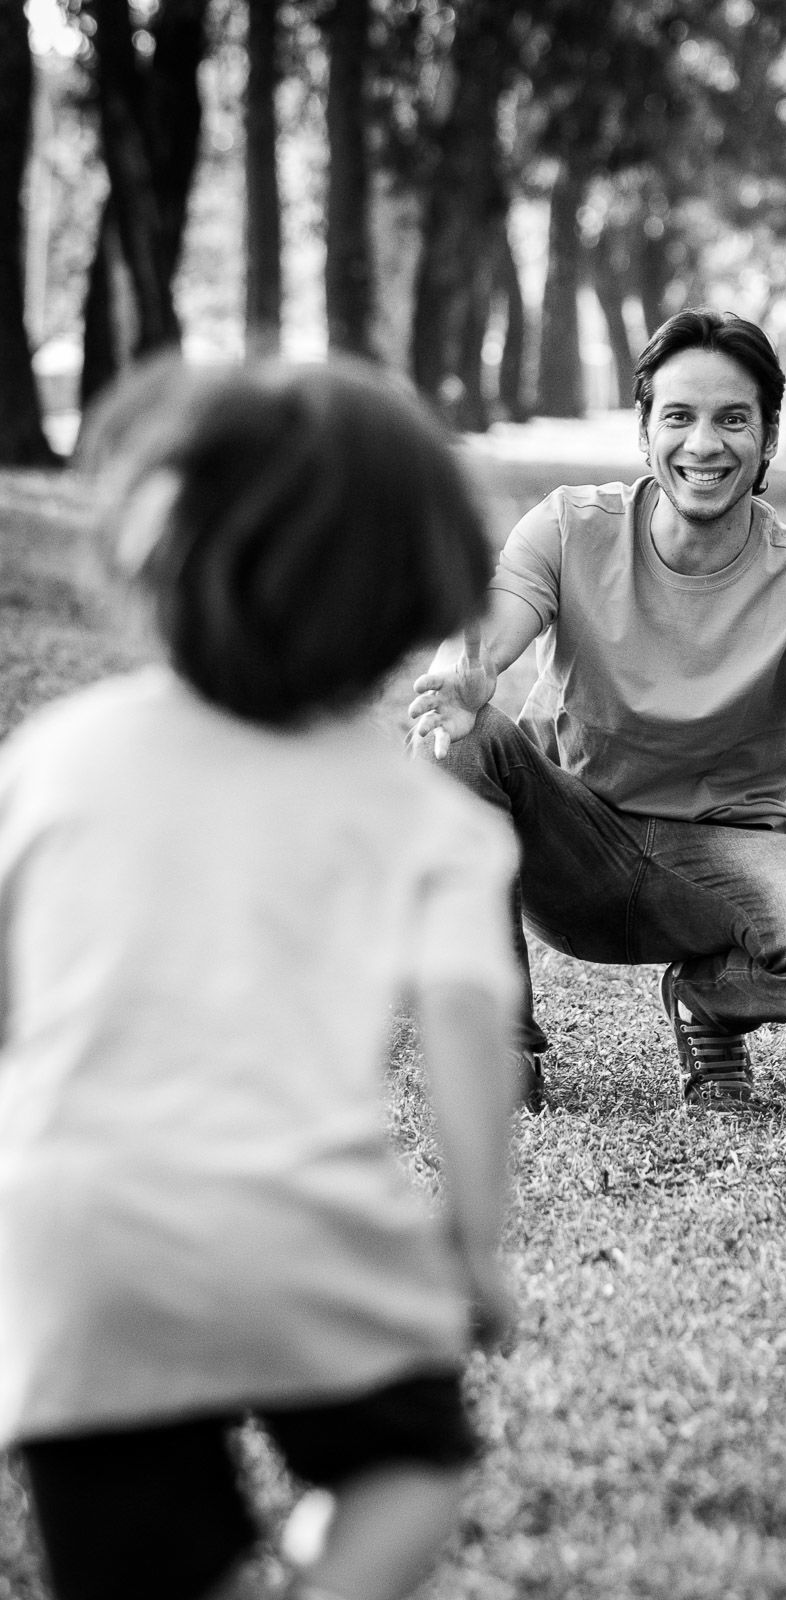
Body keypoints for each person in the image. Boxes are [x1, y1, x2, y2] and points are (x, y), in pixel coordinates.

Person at [0, 354, 522, 1600]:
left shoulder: (56, 759)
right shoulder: (425, 818)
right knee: (410, 1465)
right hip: (297, 1226)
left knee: (138, 1565)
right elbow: (464, 1025)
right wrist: (474, 1248)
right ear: (413, 590)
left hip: (75, 1246)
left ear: (158, 555)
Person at [409, 307, 786, 1113]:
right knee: (455, 739)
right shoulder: (568, 528)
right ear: (644, 431)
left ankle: (708, 999)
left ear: (767, 438)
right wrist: (463, 675)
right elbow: (485, 641)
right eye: (679, 417)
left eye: (732, 420)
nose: (704, 445)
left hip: (720, 863)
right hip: (573, 843)